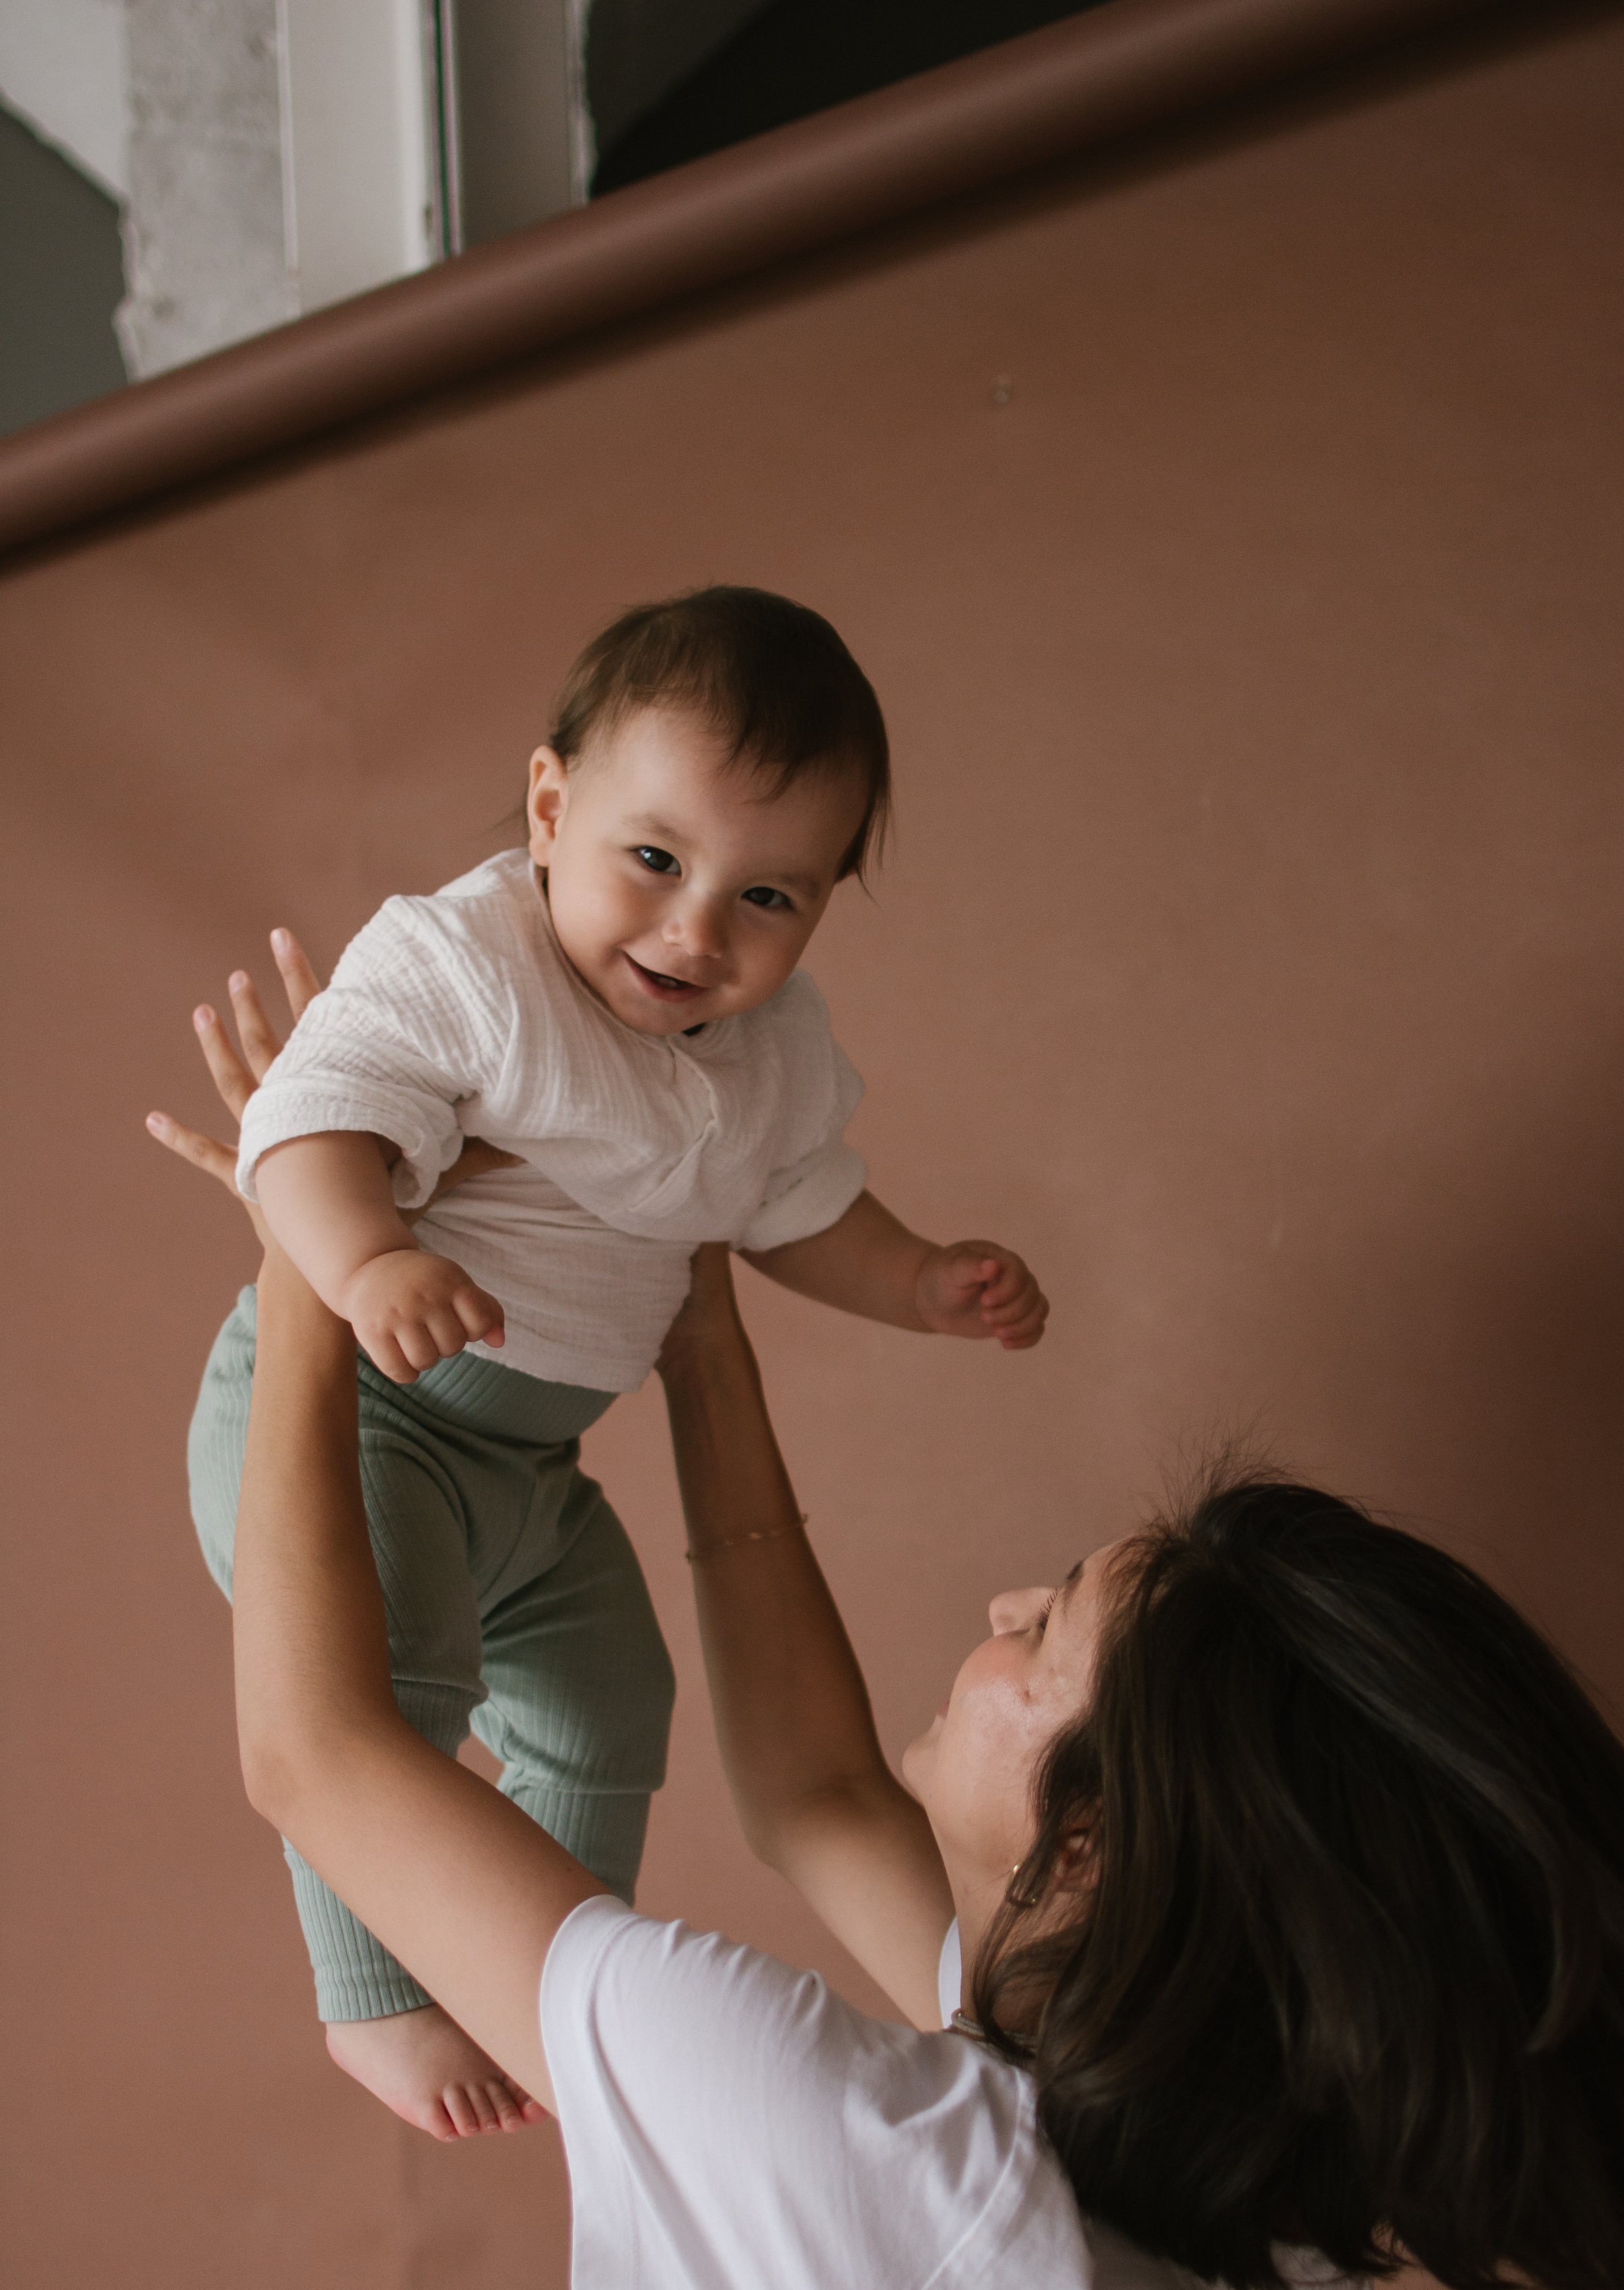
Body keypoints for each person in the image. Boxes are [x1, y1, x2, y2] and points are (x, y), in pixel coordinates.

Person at [149, 956, 1624, 2290]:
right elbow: (819, 1796)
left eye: (1040, 1639)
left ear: (1101, 1846)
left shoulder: (853, 2161)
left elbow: (322, 1755)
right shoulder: (1252, 2220)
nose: (997, 1609)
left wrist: (302, 1245)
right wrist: (698, 1320)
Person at [182, 585, 1047, 2139]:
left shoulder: (774, 1059)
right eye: (653, 858)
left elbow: (796, 1212)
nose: (696, 930)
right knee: (397, 1682)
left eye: (769, 898)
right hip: (365, 1421)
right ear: (548, 803)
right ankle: (371, 2002)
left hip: (533, 1470)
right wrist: (367, 1255)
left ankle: (546, 1985)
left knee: (611, 1699)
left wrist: (915, 1279)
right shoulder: (467, 965)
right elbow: (301, 1121)